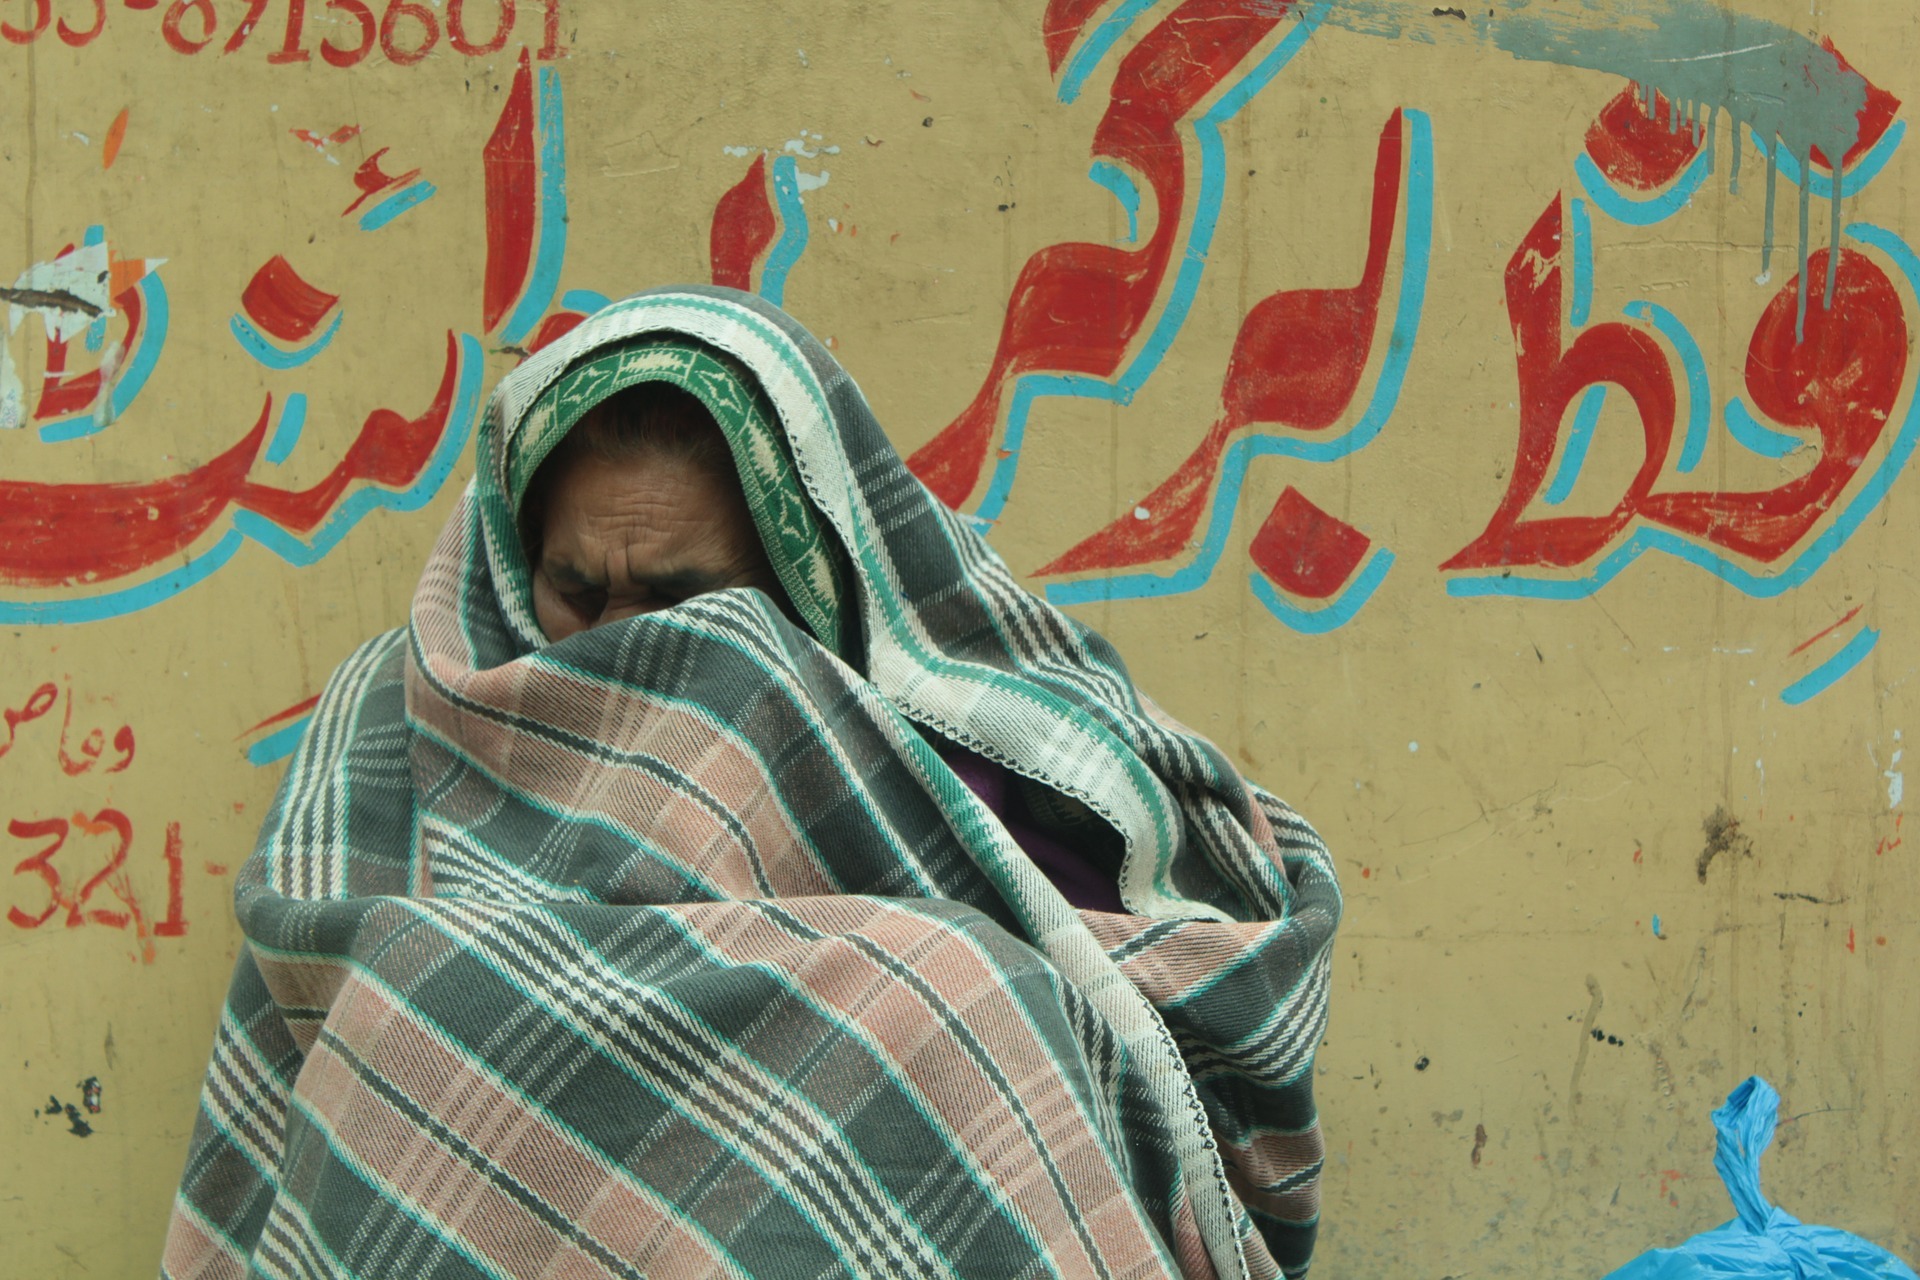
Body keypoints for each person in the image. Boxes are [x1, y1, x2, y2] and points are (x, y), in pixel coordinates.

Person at [161, 286, 1343, 1280]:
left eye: (682, 605)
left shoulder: (955, 733)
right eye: (577, 590)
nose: (613, 644)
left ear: (803, 582)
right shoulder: (417, 703)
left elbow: (1146, 992)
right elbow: (328, 1000)